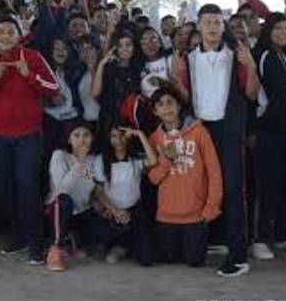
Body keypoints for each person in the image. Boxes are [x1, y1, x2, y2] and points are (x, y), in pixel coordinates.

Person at [172, 4, 258, 278]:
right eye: (206, 22)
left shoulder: (237, 56)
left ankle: (239, 255)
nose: (211, 27)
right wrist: (175, 79)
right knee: (202, 187)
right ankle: (212, 242)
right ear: (198, 26)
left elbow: (252, 94)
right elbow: (186, 98)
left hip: (229, 129)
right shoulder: (190, 58)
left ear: (223, 26)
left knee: (233, 189)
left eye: (216, 22)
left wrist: (252, 66)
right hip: (200, 129)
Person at [0, 16, 61, 265]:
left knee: (28, 186)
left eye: (11, 31)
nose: (5, 36)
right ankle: (18, 237)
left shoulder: (33, 58)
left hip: (28, 136)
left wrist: (29, 74)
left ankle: (35, 242)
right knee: (7, 187)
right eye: (1, 32)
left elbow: (54, 89)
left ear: (19, 35)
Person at [250, 13, 286, 261]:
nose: (283, 32)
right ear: (268, 30)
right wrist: (252, 129)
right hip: (268, 131)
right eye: (278, 28)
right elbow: (254, 96)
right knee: (267, 186)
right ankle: (260, 238)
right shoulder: (261, 55)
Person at [149, 82, 221, 268]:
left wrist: (211, 208)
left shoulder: (199, 132)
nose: (166, 108)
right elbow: (153, 178)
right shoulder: (155, 138)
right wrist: (167, 160)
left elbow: (214, 172)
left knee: (194, 262)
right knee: (168, 259)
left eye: (170, 102)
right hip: (166, 216)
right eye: (160, 105)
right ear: (155, 112)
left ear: (179, 106)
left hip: (196, 216)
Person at [43, 123, 104, 271]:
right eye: (76, 135)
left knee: (104, 232)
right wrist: (80, 162)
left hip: (81, 212)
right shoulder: (60, 156)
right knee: (64, 200)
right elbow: (62, 188)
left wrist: (101, 204)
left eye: (86, 135)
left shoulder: (94, 159)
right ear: (69, 139)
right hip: (58, 210)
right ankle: (56, 248)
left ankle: (73, 239)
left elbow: (94, 183)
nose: (81, 140)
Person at [94, 124, 157, 266]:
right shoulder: (100, 160)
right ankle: (119, 246)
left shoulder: (135, 159)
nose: (118, 140)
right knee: (105, 237)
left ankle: (125, 247)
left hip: (134, 210)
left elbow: (154, 160)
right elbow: (97, 191)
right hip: (111, 211)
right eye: (114, 136)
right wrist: (113, 210)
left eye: (122, 135)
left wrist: (140, 134)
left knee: (147, 259)